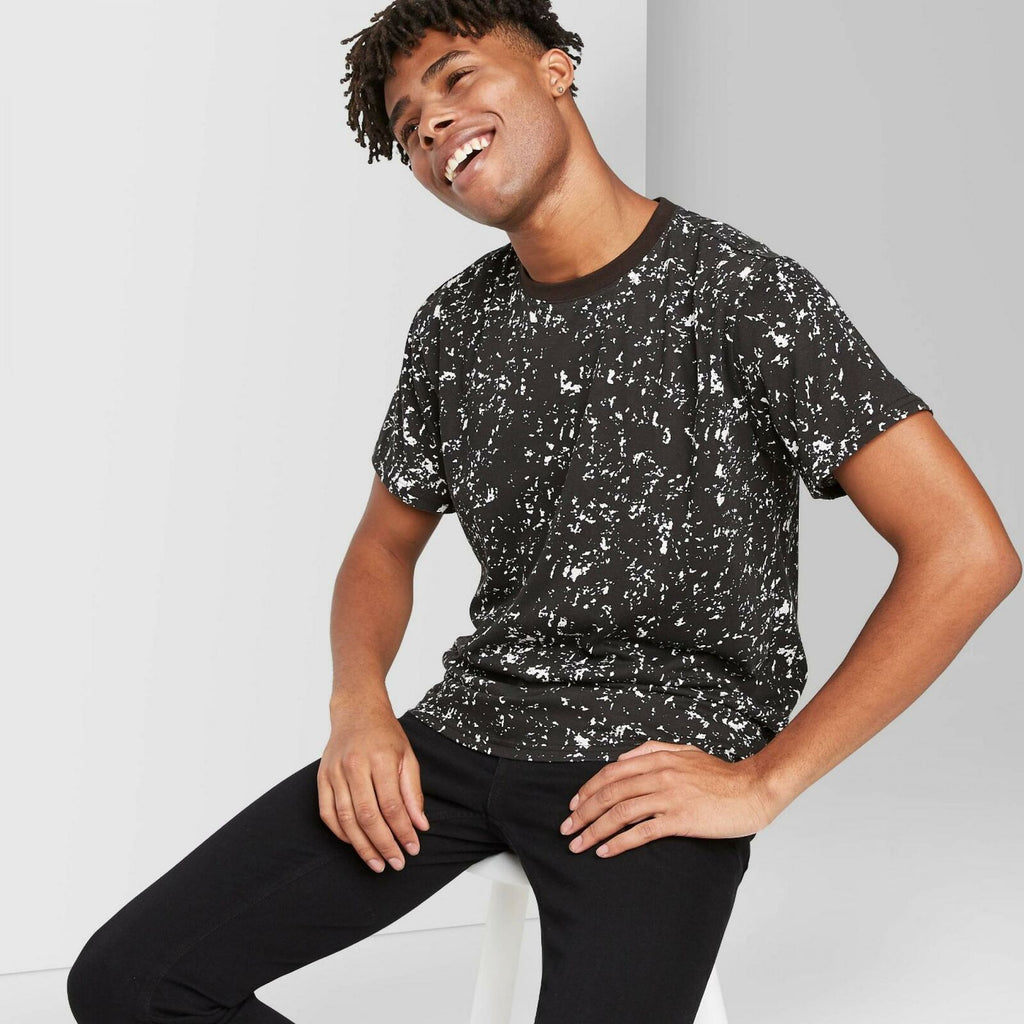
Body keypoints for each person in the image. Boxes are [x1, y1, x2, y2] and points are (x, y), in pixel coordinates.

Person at [67, 3, 1021, 1022]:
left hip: (650, 764)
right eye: (406, 127)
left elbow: (967, 550)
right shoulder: (453, 324)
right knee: (130, 983)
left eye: (456, 78)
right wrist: (358, 707)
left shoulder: (742, 292)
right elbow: (381, 548)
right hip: (461, 736)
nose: (431, 125)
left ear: (557, 72)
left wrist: (764, 779)